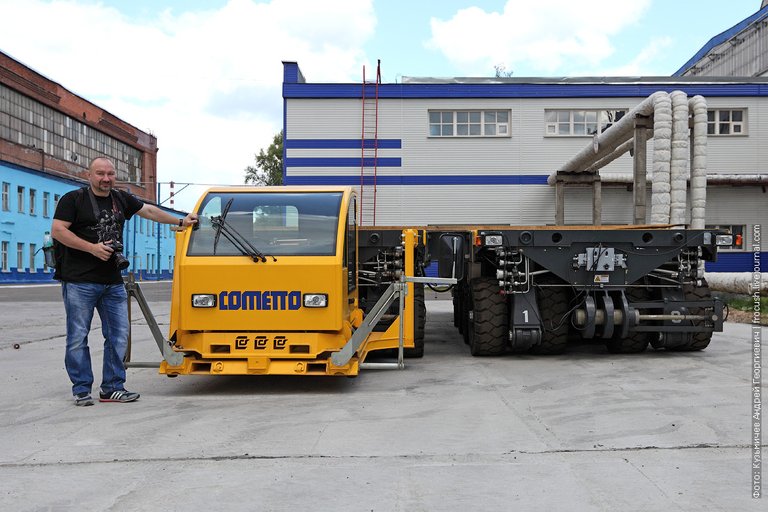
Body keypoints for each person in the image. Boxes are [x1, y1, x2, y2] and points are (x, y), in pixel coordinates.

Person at [52, 157, 198, 406]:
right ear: (89, 175)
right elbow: (58, 230)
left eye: (110, 174)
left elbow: (149, 210)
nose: (106, 179)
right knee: (78, 336)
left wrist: (181, 221)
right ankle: (81, 389)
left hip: (112, 280)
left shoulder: (120, 199)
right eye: (100, 174)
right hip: (79, 281)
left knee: (119, 335)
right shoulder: (73, 200)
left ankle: (112, 387)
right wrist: (92, 248)